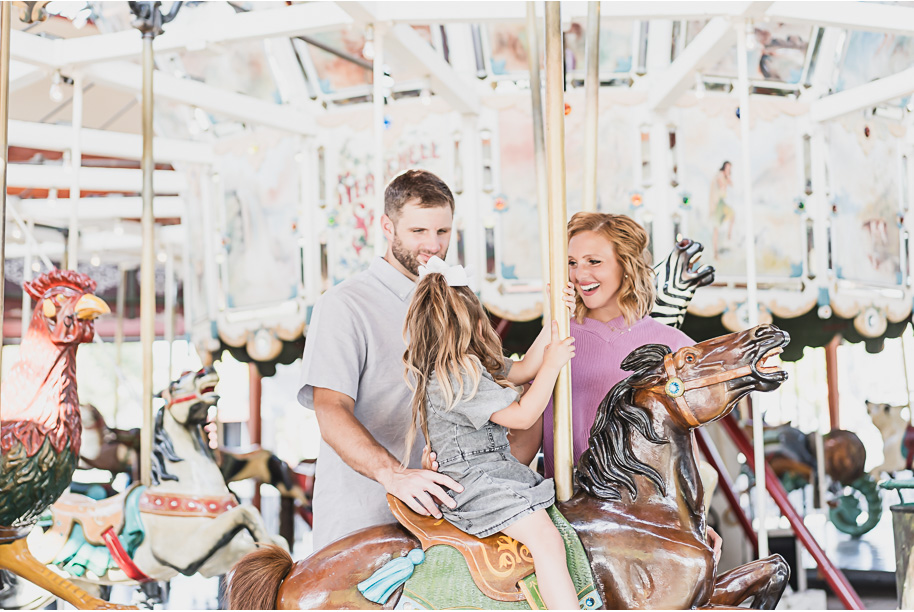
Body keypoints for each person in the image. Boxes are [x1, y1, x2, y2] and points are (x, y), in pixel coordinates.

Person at [507, 211, 723, 558]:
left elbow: (684, 449)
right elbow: (525, 443)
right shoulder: (555, 339)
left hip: (645, 519)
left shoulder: (672, 345)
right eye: (572, 263)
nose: (580, 274)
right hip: (574, 513)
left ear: (626, 265)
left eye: (594, 261)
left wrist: (694, 519)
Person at [298, 169, 466, 550]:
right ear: (387, 227)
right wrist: (395, 475)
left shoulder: (454, 303)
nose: (434, 246)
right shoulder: (344, 305)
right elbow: (331, 409)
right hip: (365, 513)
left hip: (443, 509)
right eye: (418, 232)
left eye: (442, 232)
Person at [403, 256, 579, 610]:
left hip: (494, 469)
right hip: (475, 480)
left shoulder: (471, 364)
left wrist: (556, 314)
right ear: (467, 321)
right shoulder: (453, 373)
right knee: (545, 540)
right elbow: (523, 414)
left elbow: (525, 367)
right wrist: (554, 365)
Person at [708, 161, 734, 259]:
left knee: (732, 215)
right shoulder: (719, 176)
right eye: (728, 168)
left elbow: (730, 185)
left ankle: (729, 237)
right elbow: (721, 186)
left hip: (721, 203)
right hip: (717, 204)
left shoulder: (725, 177)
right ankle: (715, 253)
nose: (729, 170)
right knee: (716, 229)